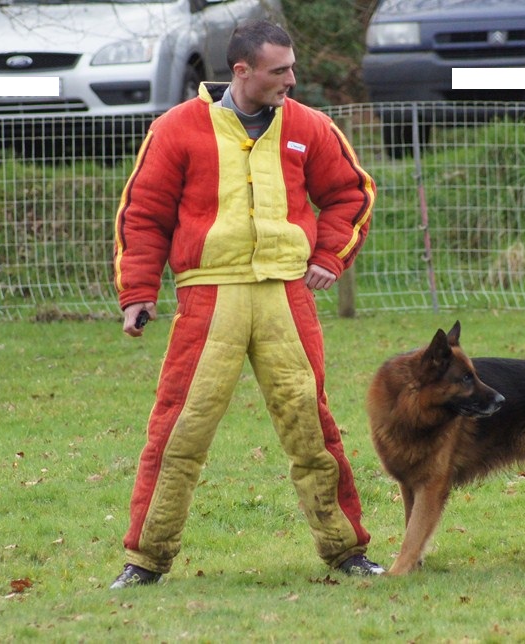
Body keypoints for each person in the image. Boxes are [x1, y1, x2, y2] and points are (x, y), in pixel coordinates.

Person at [109, 19, 381, 589]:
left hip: (288, 295)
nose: (292, 78)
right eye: (280, 70)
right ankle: (145, 561)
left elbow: (351, 193)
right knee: (180, 429)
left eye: (292, 67)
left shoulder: (310, 126)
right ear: (242, 71)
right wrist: (137, 294)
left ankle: (347, 551)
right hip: (208, 297)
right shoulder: (176, 128)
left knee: (312, 426)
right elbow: (144, 213)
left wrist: (329, 257)